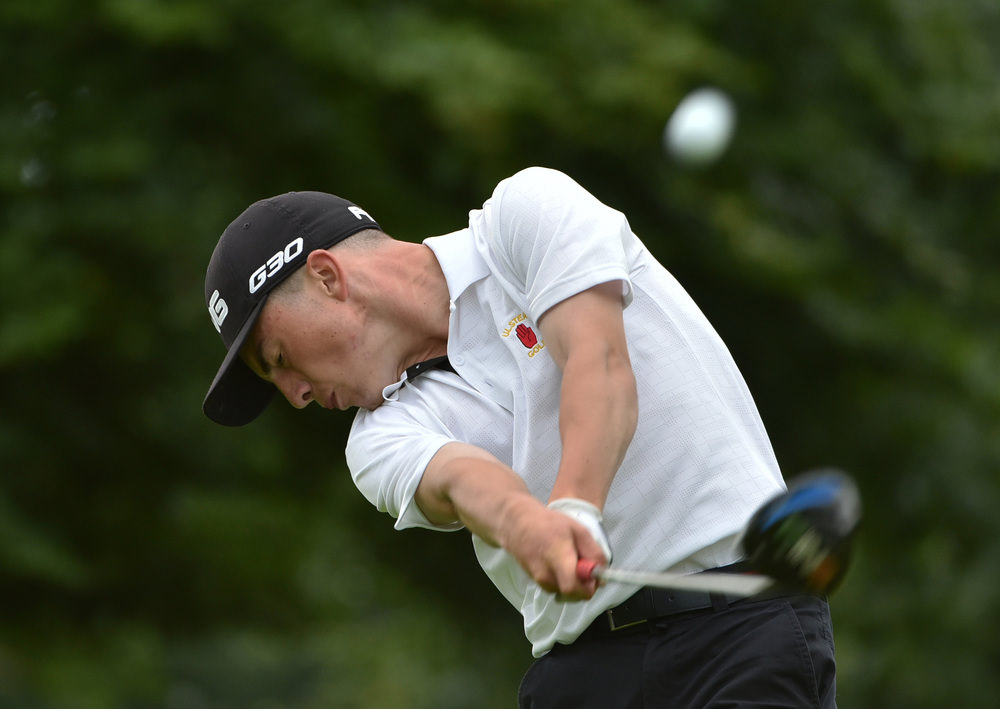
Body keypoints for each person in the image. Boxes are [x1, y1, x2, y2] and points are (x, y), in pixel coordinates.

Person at [202, 166, 838, 708]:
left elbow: (600, 363)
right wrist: (526, 524)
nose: (296, 395)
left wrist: (573, 511)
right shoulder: (376, 437)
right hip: (579, 680)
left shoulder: (525, 215)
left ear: (327, 277)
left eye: (280, 357)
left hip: (742, 630)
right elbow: (460, 481)